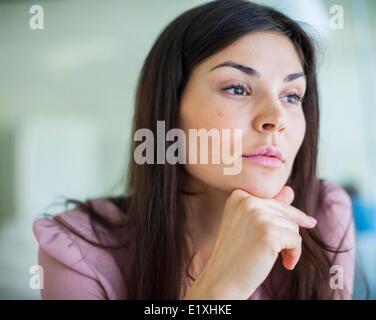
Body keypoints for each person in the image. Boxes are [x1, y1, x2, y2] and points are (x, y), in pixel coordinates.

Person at [33, 0, 355, 300]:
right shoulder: (76, 250)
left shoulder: (325, 214)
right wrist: (223, 286)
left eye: (292, 96)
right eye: (237, 88)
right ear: (170, 109)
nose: (276, 119)